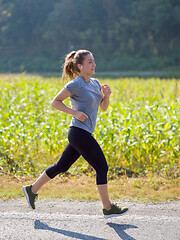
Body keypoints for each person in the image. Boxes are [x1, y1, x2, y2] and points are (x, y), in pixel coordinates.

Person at [22, 49, 128, 218]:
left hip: (84, 133)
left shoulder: (95, 83)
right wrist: (74, 113)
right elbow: (55, 102)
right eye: (90, 62)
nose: (94, 64)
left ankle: (31, 189)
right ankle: (108, 208)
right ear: (80, 66)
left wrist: (106, 96)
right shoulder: (75, 84)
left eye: (93, 61)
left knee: (61, 166)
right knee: (102, 167)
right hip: (79, 132)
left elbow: (103, 107)